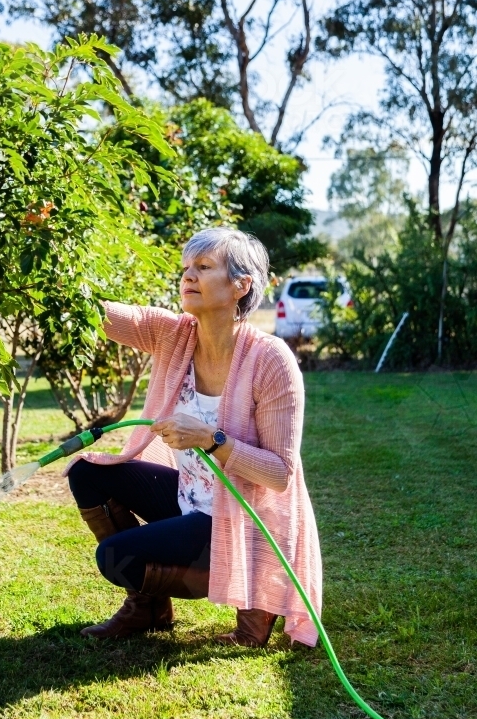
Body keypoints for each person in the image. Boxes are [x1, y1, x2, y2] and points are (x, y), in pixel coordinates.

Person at [65, 227, 322, 647]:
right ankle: (149, 607)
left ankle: (255, 598)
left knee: (115, 558)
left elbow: (279, 474)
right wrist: (51, 249)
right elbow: (97, 311)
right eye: (186, 268)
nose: (188, 277)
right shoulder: (175, 334)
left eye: (203, 267)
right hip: (191, 497)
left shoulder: (271, 360)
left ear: (242, 285)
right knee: (88, 474)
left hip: (238, 517)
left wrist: (211, 439)